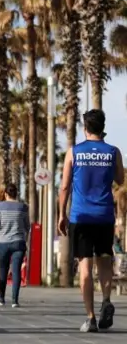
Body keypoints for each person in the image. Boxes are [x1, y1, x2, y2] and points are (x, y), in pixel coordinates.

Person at [58, 109, 124, 332]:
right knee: (104, 260)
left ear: (85, 127)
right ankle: (106, 299)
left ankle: (91, 317)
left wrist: (61, 214)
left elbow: (65, 186)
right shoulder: (113, 152)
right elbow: (120, 178)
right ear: (103, 127)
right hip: (104, 217)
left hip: (81, 216)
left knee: (85, 266)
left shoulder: (74, 152)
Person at [0, 183, 29, 307]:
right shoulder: (23, 207)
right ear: (16, 193)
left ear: (6, 194)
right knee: (16, 271)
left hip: (3, 243)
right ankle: (15, 300)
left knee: (2, 270)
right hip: (19, 242)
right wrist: (25, 239)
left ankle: (1, 298)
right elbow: (27, 226)